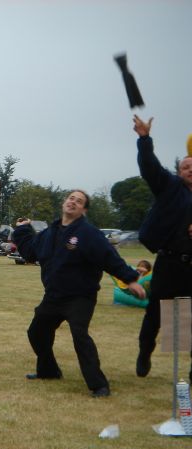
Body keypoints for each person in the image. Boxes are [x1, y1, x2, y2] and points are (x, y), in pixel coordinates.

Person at [13, 190, 146, 397]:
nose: (73, 202)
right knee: (37, 332)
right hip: (54, 296)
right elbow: (30, 252)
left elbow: (109, 257)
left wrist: (130, 280)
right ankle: (49, 371)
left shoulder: (89, 233)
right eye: (71, 198)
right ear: (64, 203)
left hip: (80, 296)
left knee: (79, 335)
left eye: (79, 201)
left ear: (84, 210)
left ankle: (99, 385)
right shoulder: (50, 232)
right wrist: (22, 229)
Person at [132, 115, 192, 380]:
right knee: (155, 315)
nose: (190, 169)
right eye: (185, 166)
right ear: (179, 172)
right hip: (168, 263)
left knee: (187, 322)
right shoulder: (170, 186)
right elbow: (150, 167)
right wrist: (144, 139)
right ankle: (145, 352)